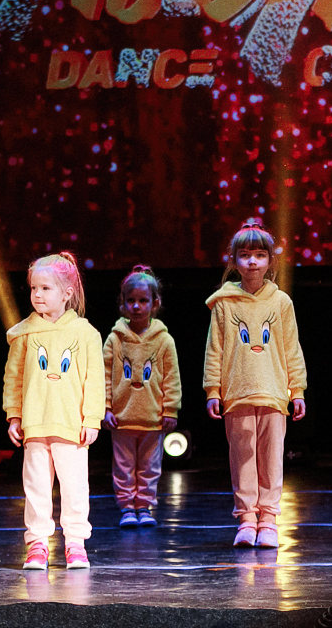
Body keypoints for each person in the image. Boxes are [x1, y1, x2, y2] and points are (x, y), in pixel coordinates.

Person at [203, 219, 307, 549]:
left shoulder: (281, 302)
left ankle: (269, 519)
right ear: (234, 260)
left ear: (269, 261)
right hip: (237, 393)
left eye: (260, 255)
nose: (252, 262)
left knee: (272, 458)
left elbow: (291, 348)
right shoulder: (223, 303)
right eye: (245, 255)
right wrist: (213, 390)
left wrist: (297, 390)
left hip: (273, 392)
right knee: (243, 459)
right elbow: (215, 349)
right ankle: (247, 518)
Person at [4, 251, 104, 570]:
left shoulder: (85, 334)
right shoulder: (25, 333)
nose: (37, 294)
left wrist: (92, 419)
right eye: (34, 288)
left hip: (71, 425)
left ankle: (75, 543)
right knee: (36, 488)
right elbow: (14, 378)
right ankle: (37, 544)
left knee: (74, 488)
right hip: (35, 424)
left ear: (67, 293)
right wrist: (14, 415)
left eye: (46, 288)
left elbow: (94, 380)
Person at [103, 265, 180, 527]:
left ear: (155, 303)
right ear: (123, 303)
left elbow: (171, 377)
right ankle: (127, 507)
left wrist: (170, 409)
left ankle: (144, 507)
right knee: (123, 467)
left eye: (143, 300)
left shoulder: (164, 340)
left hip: (152, 418)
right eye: (131, 300)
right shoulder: (114, 339)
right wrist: (105, 408)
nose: (136, 306)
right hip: (122, 419)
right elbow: (104, 375)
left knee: (150, 467)